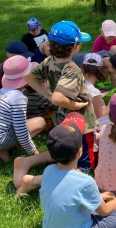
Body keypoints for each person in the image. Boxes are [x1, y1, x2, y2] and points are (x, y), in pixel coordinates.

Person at [14, 21, 98, 190]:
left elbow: (28, 77)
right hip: (80, 122)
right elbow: (59, 98)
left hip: (62, 119)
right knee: (86, 164)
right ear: (74, 47)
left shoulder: (49, 61)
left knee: (65, 152)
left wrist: (47, 94)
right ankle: (36, 180)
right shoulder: (71, 69)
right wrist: (73, 105)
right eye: (80, 42)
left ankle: (27, 161)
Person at [21, 112, 116, 228]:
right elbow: (104, 212)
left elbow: (68, 196)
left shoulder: (48, 171)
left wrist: (97, 197)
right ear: (80, 151)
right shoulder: (85, 181)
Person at [0, 56, 46, 162]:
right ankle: (5, 148)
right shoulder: (18, 98)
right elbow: (22, 132)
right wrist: (35, 153)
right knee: (40, 122)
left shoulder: (3, 90)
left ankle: (4, 150)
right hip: (1, 140)